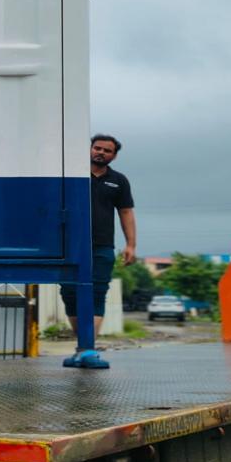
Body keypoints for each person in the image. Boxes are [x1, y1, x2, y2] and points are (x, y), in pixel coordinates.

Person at [60, 134, 137, 341]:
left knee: (98, 291)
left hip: (102, 245)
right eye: (98, 148)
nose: (101, 153)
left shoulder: (118, 181)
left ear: (114, 156)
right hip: (69, 244)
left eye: (107, 150)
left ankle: (89, 344)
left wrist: (131, 245)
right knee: (69, 291)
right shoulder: (72, 173)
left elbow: (126, 212)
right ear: (90, 149)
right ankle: (82, 341)